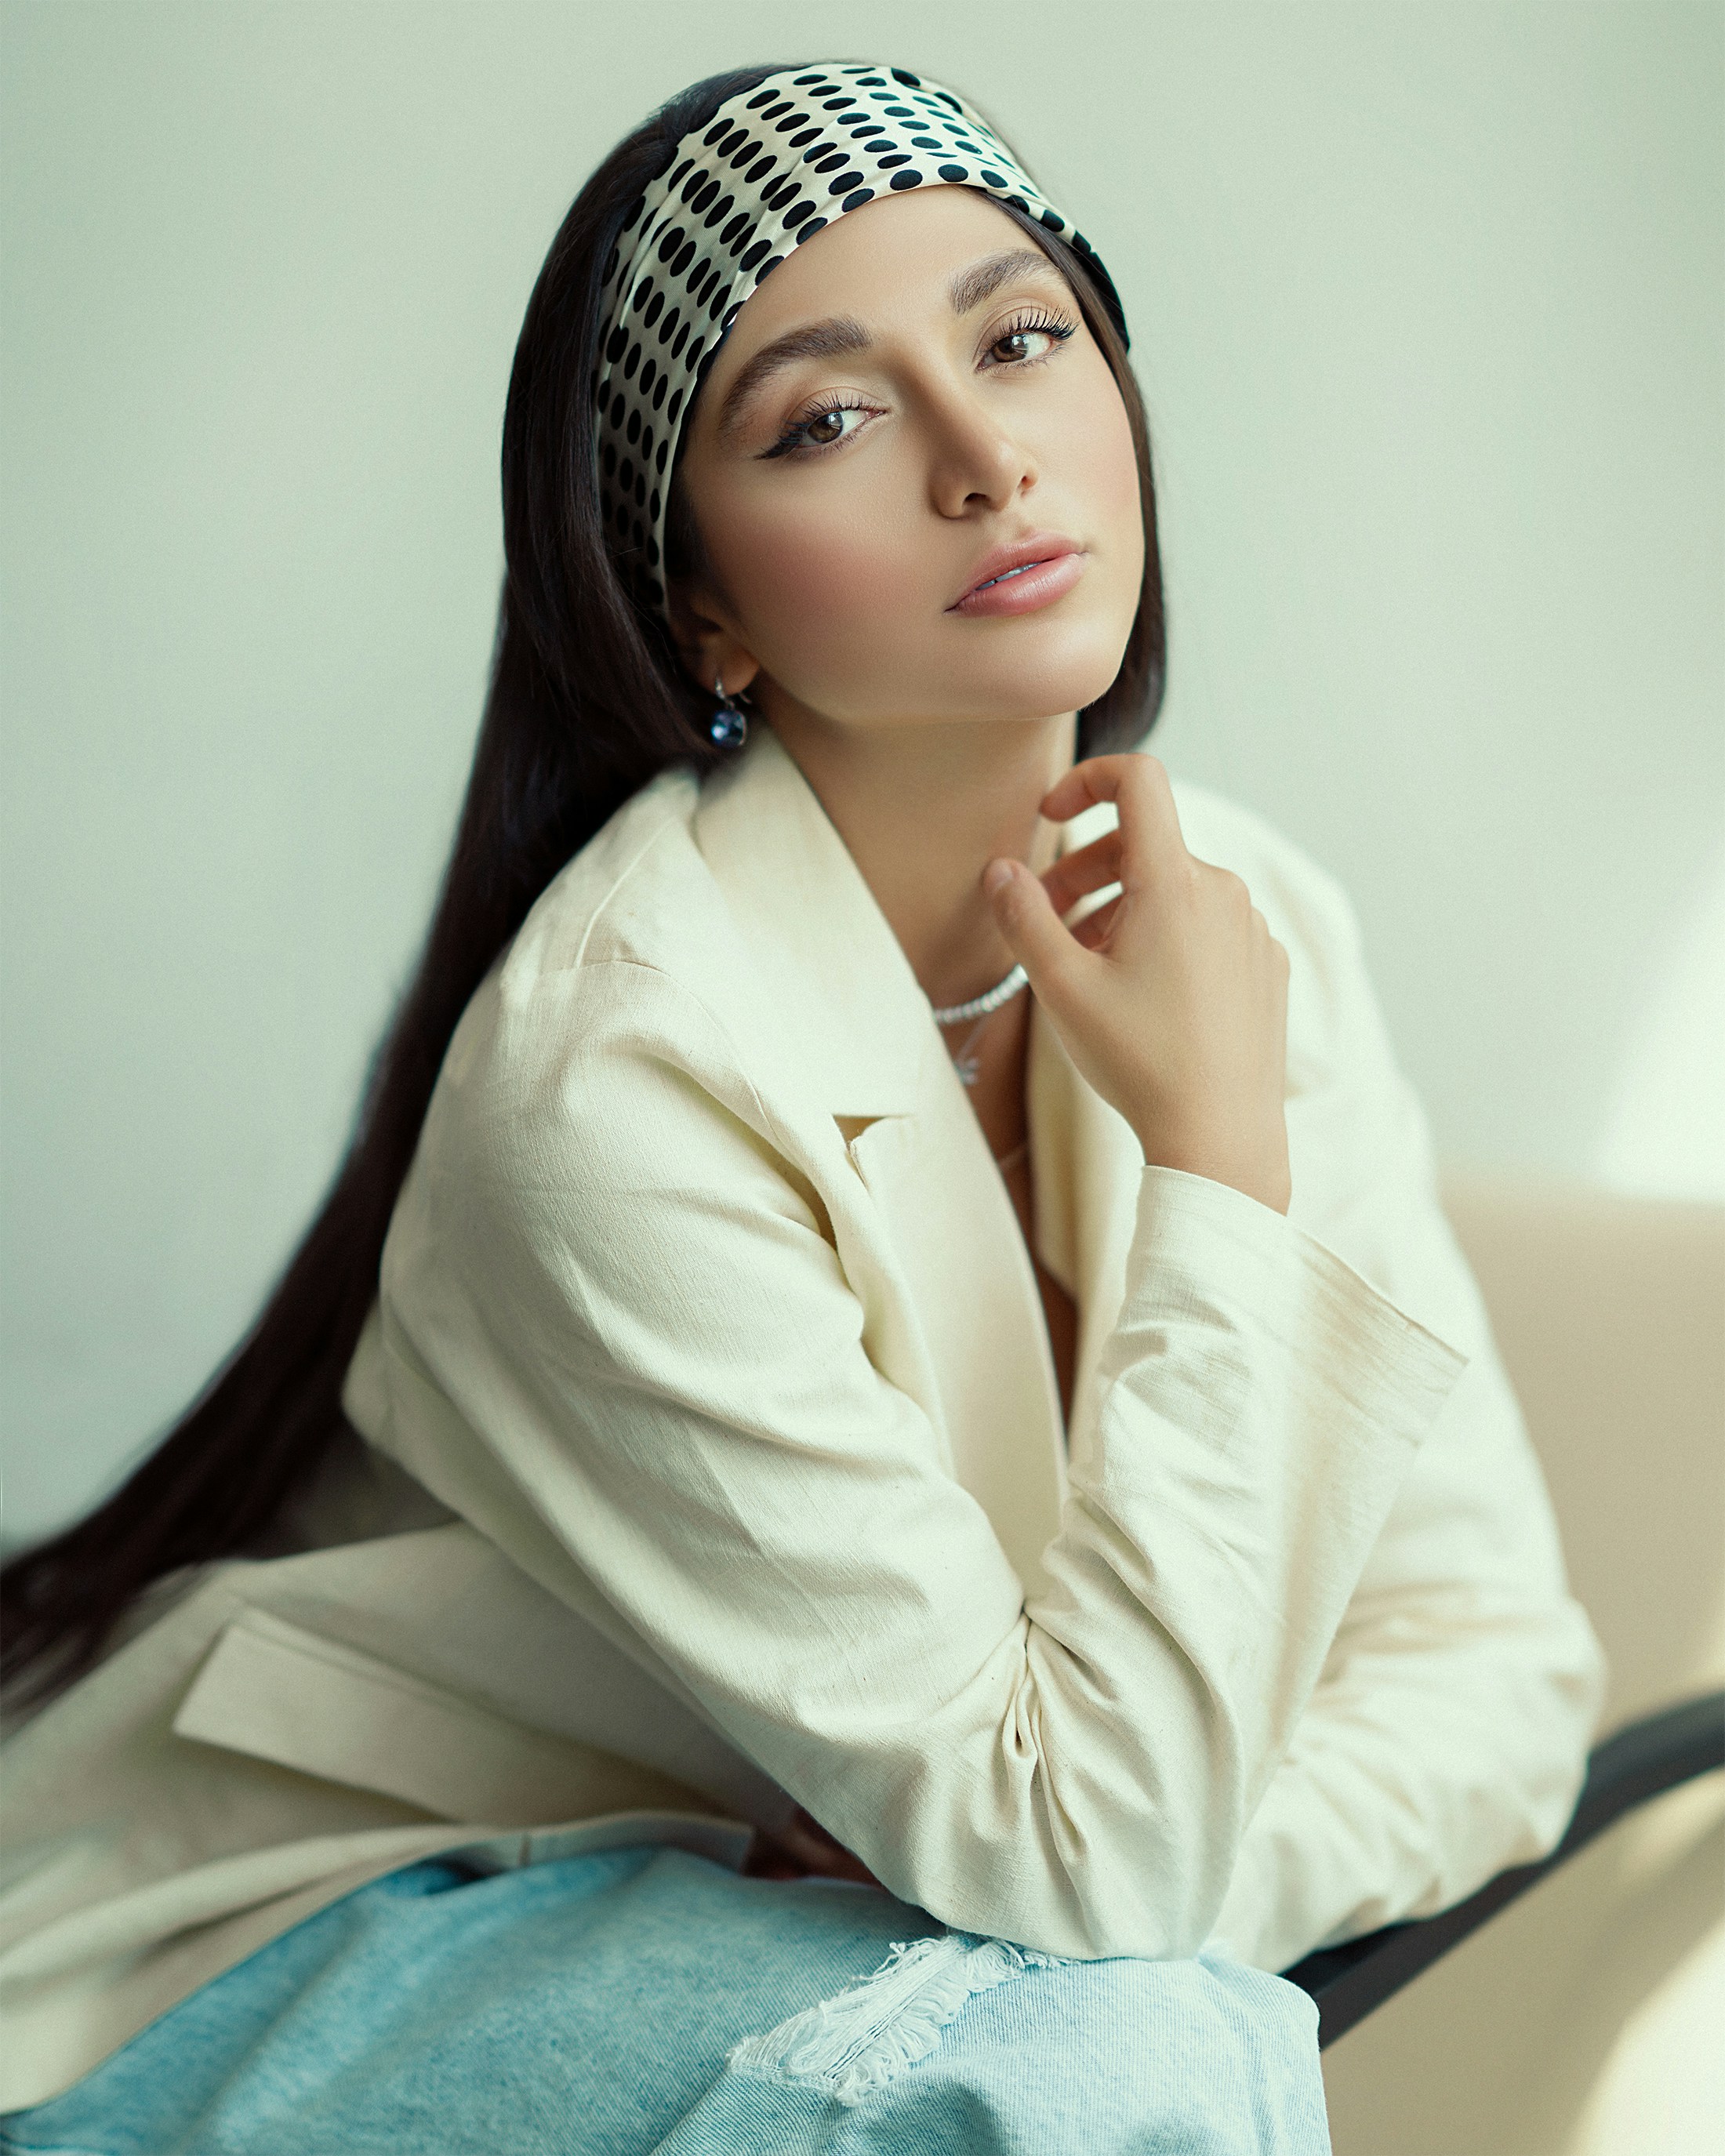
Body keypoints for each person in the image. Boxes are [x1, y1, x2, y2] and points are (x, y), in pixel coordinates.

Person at [0, 58, 1604, 2154]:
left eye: (1023, 339)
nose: (984, 458)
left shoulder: (1249, 925)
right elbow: (1080, 1872)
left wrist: (1101, 1874)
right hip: (355, 1939)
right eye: (828, 417)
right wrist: (1221, 1167)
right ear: (702, 612)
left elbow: (1500, 1680)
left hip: (825, 1932)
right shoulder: (619, 1064)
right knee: (1099, 2048)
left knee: (1125, 2014)